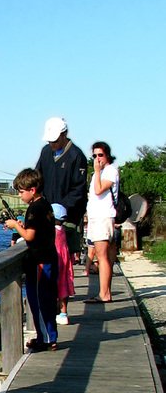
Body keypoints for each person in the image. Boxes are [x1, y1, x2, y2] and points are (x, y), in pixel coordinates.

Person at [4, 168, 58, 351]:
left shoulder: (34, 208)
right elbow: (36, 230)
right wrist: (22, 226)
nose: (20, 195)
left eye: (21, 191)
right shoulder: (45, 204)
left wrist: (14, 226)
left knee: (38, 301)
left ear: (32, 190)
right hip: (49, 257)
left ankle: (46, 339)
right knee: (47, 299)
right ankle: (48, 336)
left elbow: (29, 236)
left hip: (40, 262)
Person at [35, 117, 88, 260]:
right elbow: (37, 176)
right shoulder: (46, 152)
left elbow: (79, 188)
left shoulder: (76, 156)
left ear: (64, 135)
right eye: (49, 141)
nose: (52, 144)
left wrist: (62, 207)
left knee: (64, 257)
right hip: (47, 213)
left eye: (55, 141)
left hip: (68, 216)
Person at [85, 140, 119, 304]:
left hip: (103, 218)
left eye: (100, 155)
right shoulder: (99, 173)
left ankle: (104, 294)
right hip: (96, 218)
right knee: (103, 256)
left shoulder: (110, 171)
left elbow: (99, 190)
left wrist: (97, 172)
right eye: (94, 155)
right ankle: (105, 291)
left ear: (107, 155)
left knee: (102, 256)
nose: (97, 159)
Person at [52, 203, 74, 326]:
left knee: (53, 287)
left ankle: (54, 312)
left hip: (56, 261)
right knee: (63, 286)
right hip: (65, 262)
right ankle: (63, 313)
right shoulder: (63, 230)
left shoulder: (52, 231)